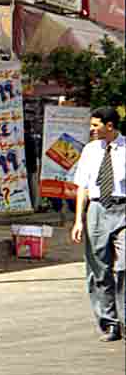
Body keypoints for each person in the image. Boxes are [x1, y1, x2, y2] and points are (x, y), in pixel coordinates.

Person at [71, 107, 126, 342]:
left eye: (95, 126)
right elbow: (82, 186)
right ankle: (110, 323)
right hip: (96, 209)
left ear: (109, 126)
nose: (91, 130)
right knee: (99, 269)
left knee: (124, 266)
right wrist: (78, 221)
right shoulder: (90, 150)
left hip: (123, 208)